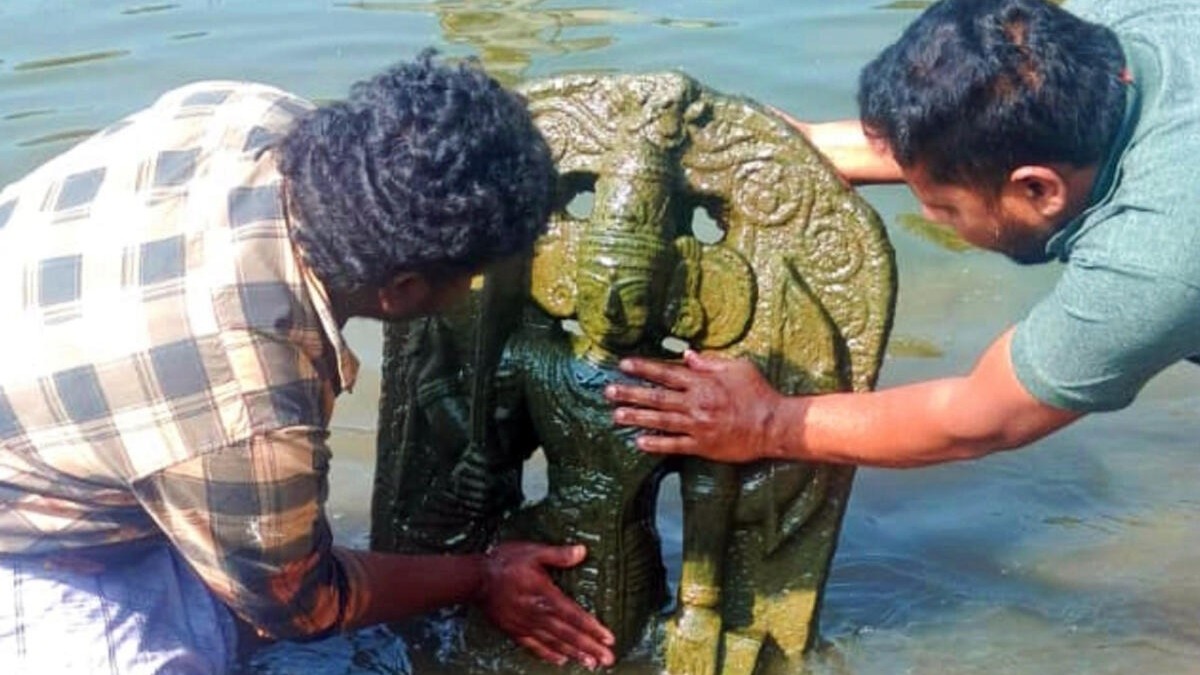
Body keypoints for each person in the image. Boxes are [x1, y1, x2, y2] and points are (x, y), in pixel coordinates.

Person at [0, 52, 615, 673]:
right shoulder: (247, 403)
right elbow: (302, 606)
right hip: (23, 539)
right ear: (401, 289)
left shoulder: (242, 111)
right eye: (469, 277)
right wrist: (481, 576)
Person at [605, 0, 1200, 468]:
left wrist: (765, 423)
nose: (932, 216)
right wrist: (810, 148)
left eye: (942, 205)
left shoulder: (1155, 261)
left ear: (1039, 189)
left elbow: (984, 417)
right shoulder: (1114, 26)